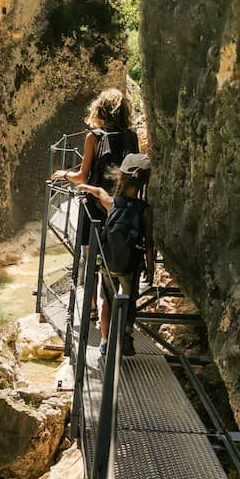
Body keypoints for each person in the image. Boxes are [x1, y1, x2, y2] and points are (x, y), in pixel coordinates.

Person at [51, 88, 139, 318]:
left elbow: (82, 176)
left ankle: (90, 309)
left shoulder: (94, 137)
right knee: (114, 255)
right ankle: (116, 309)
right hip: (122, 208)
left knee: (90, 257)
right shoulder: (131, 136)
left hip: (94, 207)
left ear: (101, 111)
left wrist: (64, 174)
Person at [80, 153, 154, 356]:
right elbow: (149, 243)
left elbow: (98, 192)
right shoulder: (144, 210)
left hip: (108, 264)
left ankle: (104, 342)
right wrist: (151, 268)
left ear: (121, 178)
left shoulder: (112, 203)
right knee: (129, 300)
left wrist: (85, 187)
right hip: (130, 266)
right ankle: (127, 333)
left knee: (108, 302)